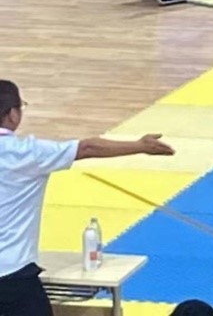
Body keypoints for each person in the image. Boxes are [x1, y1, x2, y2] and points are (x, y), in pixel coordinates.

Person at [0, 80, 174, 316]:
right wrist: (140, 145)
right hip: (13, 276)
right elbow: (87, 148)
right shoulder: (28, 153)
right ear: (12, 114)